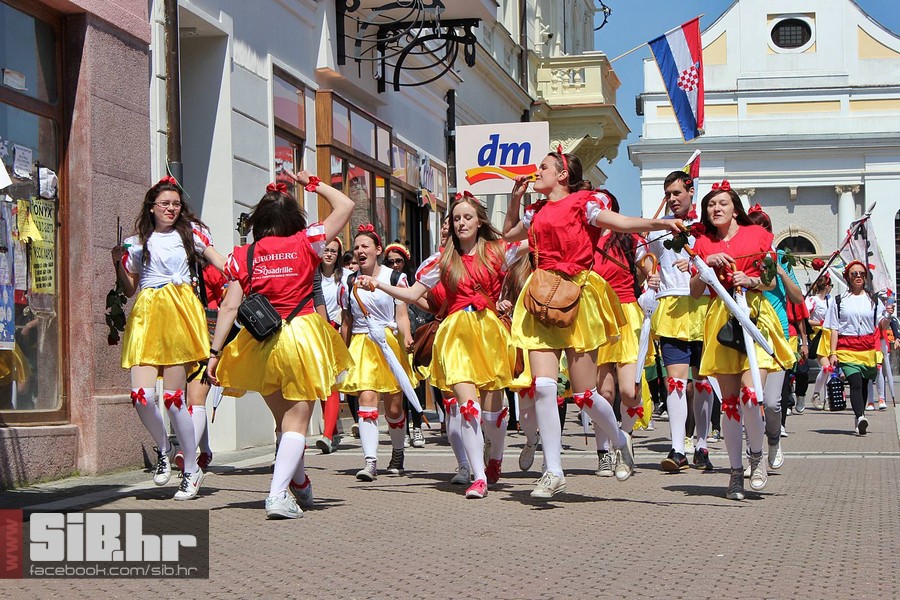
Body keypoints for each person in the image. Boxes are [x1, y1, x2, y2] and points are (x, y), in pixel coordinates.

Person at [503, 149, 682, 498]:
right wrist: (514, 200)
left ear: (562, 175)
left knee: (585, 395)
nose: (536, 172)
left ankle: (618, 439)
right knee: (542, 386)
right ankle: (554, 470)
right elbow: (509, 234)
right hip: (541, 294)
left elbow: (621, 223)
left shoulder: (584, 202)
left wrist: (658, 224)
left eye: (544, 167)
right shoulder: (535, 210)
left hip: (577, 295)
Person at [207, 172, 354, 519]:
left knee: (284, 423)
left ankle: (299, 485)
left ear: (259, 221)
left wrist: (215, 354)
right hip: (301, 336)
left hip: (262, 343)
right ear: (293, 219)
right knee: (298, 422)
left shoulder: (244, 255)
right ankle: (276, 496)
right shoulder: (309, 242)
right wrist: (312, 183)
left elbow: (228, 305)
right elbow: (346, 206)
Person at [360, 194, 523, 499]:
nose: (461, 223)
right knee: (468, 408)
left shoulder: (497, 251)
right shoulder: (441, 260)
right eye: (456, 218)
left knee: (492, 413)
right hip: (456, 334)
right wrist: (378, 284)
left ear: (479, 222)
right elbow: (410, 295)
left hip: (490, 334)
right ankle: (478, 476)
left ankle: (496, 458)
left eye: (467, 217)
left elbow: (535, 243)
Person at [112, 175, 227, 500]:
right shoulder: (137, 243)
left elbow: (222, 264)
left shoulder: (193, 235)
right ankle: (164, 449)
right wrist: (118, 264)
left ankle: (191, 469)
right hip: (148, 315)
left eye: (176, 204)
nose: (171, 208)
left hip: (180, 315)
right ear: (152, 206)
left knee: (175, 400)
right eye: (165, 203)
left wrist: (243, 272)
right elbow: (130, 287)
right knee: (141, 395)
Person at [688, 180, 795, 501]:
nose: (716, 209)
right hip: (720, 319)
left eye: (722, 203)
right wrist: (706, 267)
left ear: (735, 208)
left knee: (752, 395)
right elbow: (694, 292)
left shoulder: (758, 237)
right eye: (710, 205)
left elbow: (769, 278)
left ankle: (757, 457)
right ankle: (735, 472)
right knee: (730, 403)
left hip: (754, 315)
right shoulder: (703, 243)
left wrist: (750, 279)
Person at [646, 171, 717, 472]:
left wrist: (697, 262)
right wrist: (650, 274)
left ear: (691, 191)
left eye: (677, 193)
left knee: (703, 380)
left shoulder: (705, 230)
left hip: (702, 306)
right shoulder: (657, 230)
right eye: (668, 194)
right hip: (671, 307)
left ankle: (701, 443)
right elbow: (646, 250)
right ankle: (677, 448)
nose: (673, 199)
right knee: (675, 380)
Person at [590, 189, 661, 476]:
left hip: (626, 314)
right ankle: (604, 452)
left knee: (630, 392)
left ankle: (626, 439)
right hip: (595, 319)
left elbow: (647, 265)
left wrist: (651, 274)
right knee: (602, 393)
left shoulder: (630, 238)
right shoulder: (585, 239)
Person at [340, 225, 416, 481]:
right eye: (357, 247)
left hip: (389, 342)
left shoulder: (394, 278)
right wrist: (341, 350)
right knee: (367, 401)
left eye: (365, 246)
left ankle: (397, 452)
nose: (360, 251)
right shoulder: (348, 281)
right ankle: (370, 461)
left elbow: (402, 314)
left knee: (394, 409)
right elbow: (347, 319)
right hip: (362, 344)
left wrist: (406, 336)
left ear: (378, 250)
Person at [746, 205, 805, 472]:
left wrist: (780, 270)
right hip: (748, 335)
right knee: (750, 399)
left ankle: (773, 440)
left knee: (771, 402)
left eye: (763, 228)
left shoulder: (780, 256)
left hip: (777, 336)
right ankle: (752, 456)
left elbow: (797, 297)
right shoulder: (744, 256)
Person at [824, 260, 894, 435]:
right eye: (854, 274)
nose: (858, 277)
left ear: (866, 277)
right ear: (847, 277)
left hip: (867, 347)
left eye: (861, 274)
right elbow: (834, 328)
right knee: (855, 382)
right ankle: (860, 416)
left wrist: (888, 315)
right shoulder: (839, 300)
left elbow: (882, 326)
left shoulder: (873, 300)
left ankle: (859, 416)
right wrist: (832, 353)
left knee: (863, 384)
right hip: (846, 347)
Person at [174, 259, 229, 474]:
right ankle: (204, 449)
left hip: (208, 334)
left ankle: (188, 452)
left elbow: (227, 297)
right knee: (189, 399)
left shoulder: (209, 269)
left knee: (195, 399)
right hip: (182, 337)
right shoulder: (172, 267)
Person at [384, 241, 427, 449]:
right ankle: (406, 430)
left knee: (415, 381)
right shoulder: (384, 280)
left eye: (398, 261)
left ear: (405, 262)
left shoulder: (414, 282)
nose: (394, 265)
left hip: (413, 333)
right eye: (390, 261)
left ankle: (417, 426)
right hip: (391, 337)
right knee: (398, 385)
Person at [315, 237, 350, 455]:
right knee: (321, 383)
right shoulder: (313, 276)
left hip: (336, 330)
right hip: (316, 331)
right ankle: (333, 430)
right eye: (326, 250)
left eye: (333, 251)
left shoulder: (345, 277)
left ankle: (327, 434)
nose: (329, 254)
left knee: (332, 383)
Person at [805, 274, 834, 409]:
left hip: (830, 337)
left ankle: (828, 398)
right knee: (826, 367)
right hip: (818, 336)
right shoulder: (812, 300)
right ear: (827, 286)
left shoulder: (831, 300)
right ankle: (816, 394)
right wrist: (819, 323)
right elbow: (805, 319)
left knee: (831, 369)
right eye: (831, 286)